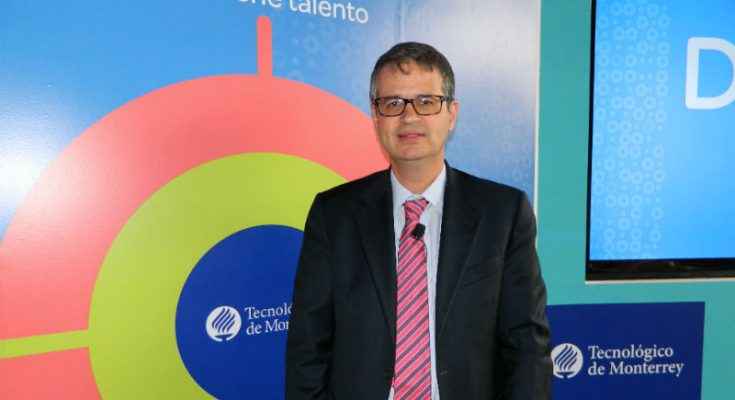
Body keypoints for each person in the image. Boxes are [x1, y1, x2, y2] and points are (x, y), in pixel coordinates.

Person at [285, 42, 551, 400]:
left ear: (451, 114)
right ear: (376, 115)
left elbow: (527, 346)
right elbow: (308, 348)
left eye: (426, 101)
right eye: (393, 103)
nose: (409, 117)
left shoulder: (503, 214)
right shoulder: (334, 215)